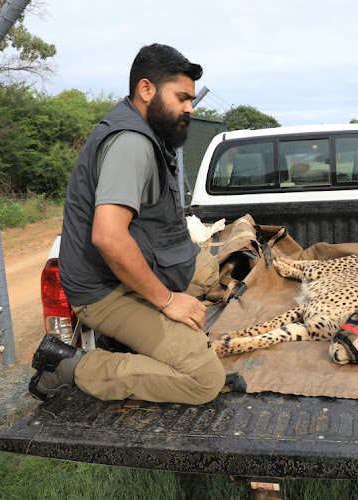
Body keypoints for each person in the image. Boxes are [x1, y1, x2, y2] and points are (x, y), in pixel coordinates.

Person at [29, 43, 225, 405]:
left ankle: (146, 335)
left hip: (126, 272)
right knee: (205, 380)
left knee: (208, 268)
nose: (190, 109)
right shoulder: (132, 143)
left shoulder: (143, 130)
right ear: (146, 89)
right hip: (103, 291)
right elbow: (108, 236)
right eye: (182, 97)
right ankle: (68, 367)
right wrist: (168, 302)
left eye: (191, 99)